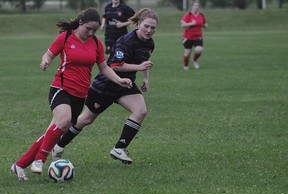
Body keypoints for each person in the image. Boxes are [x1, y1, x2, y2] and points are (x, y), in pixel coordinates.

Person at [11, 8, 132, 180]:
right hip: (61, 89)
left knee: (53, 132)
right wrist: (45, 61)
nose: (90, 33)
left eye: (94, 30)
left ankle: (19, 165)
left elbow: (104, 68)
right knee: (64, 121)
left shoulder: (97, 43)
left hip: (80, 95)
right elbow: (49, 53)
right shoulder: (66, 37)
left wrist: (119, 80)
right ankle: (40, 159)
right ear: (80, 23)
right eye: (88, 29)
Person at [52, 8, 159, 165]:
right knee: (86, 119)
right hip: (106, 85)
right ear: (139, 24)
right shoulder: (126, 41)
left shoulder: (149, 43)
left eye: (153, 28)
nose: (149, 30)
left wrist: (145, 79)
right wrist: (139, 67)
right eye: (146, 26)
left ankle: (119, 148)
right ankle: (59, 145)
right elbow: (115, 66)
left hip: (126, 84)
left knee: (141, 111)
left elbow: (144, 63)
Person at [181, 2, 208, 70]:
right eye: (195, 5)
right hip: (188, 37)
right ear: (192, 7)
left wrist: (205, 25)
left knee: (199, 49)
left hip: (198, 37)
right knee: (187, 53)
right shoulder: (188, 15)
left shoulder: (201, 15)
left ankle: (194, 60)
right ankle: (186, 66)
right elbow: (183, 25)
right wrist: (191, 23)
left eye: (198, 6)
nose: (196, 7)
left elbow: (205, 24)